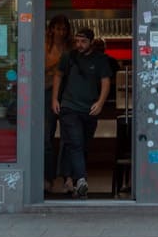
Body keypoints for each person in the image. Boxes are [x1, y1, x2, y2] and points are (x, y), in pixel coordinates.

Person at [51, 27, 112, 199]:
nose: (79, 45)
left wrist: (100, 103)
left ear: (91, 42)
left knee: (82, 144)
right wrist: (55, 99)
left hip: (89, 109)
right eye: (77, 41)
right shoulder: (68, 57)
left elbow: (105, 81)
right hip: (69, 107)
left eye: (83, 41)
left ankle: (71, 179)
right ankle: (81, 180)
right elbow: (58, 76)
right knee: (76, 142)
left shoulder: (100, 60)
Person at [43, 14, 73, 195]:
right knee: (46, 136)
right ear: (52, 29)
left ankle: (65, 177)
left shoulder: (70, 48)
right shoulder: (44, 47)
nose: (60, 32)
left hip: (67, 93)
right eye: (58, 28)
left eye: (63, 29)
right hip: (47, 92)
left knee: (67, 138)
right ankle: (48, 177)